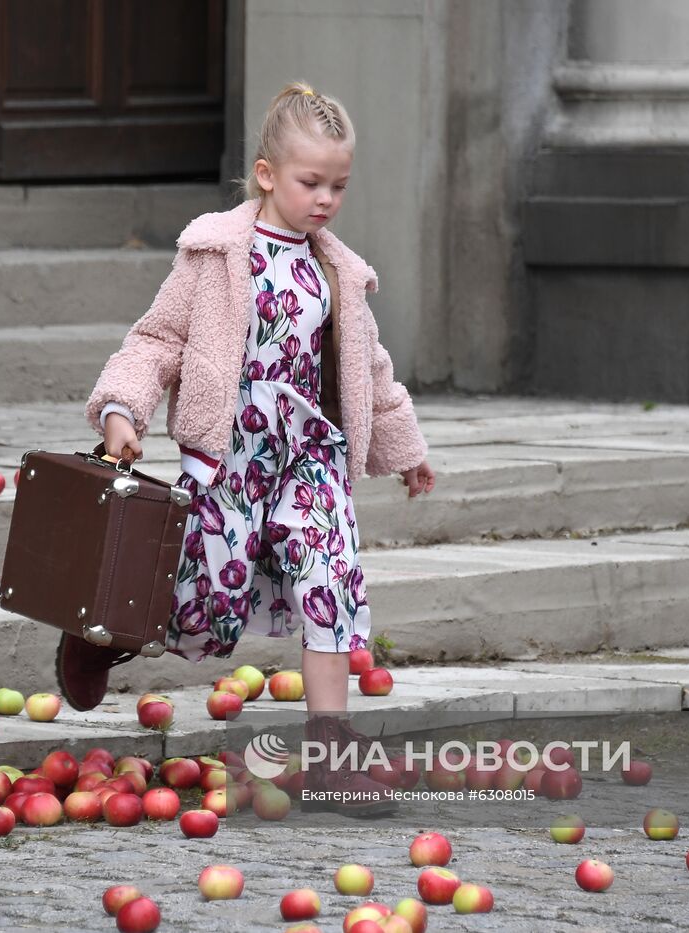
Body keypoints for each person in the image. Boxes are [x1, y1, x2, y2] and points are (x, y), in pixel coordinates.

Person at [64, 81, 435, 816]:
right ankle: (108, 636)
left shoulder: (339, 272)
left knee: (331, 578)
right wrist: (120, 410)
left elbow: (370, 368)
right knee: (204, 616)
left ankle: (330, 756)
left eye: (339, 185)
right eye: (310, 182)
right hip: (230, 461)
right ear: (267, 175)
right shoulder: (214, 254)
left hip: (308, 459)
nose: (325, 198)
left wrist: (405, 445)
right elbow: (156, 340)